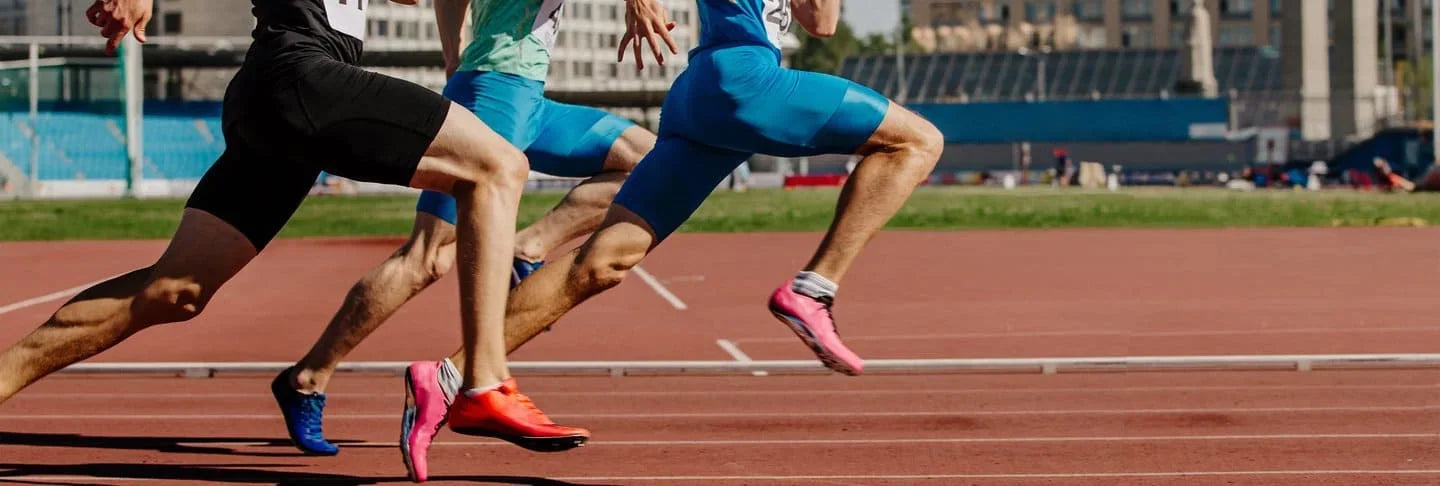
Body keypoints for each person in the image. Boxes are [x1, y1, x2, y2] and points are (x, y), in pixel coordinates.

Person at [0, 0, 581, 455]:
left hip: (277, 94)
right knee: (498, 167)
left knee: (174, 291)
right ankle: (483, 383)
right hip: (300, 73)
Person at [398, 0, 942, 479]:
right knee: (917, 142)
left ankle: (448, 376)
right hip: (745, 80)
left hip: (706, 96)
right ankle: (814, 289)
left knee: (601, 263)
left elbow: (820, 22)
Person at [265, 0, 656, 471]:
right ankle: (307, 377)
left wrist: (454, 55)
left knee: (648, 160)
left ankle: (529, 245)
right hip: (492, 95)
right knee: (426, 258)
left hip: (525, 96)